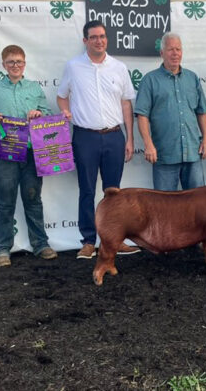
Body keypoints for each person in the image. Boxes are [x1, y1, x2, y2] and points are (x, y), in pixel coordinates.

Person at [57, 20, 141, 260]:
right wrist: (65, 112)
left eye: (102, 36)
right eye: (93, 37)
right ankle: (87, 241)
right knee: (86, 190)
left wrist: (129, 138)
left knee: (113, 193)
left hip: (114, 136)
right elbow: (62, 96)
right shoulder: (73, 67)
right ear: (85, 41)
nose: (99, 40)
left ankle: (114, 240)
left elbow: (126, 103)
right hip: (85, 137)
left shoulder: (119, 67)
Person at [0, 44, 56, 267]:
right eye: (11, 62)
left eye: (19, 61)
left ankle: (40, 244)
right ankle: (2, 248)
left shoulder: (33, 88)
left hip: (31, 152)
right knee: (5, 201)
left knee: (33, 198)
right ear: (3, 64)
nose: (15, 66)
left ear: (24, 63)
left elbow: (48, 114)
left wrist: (39, 113)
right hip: (5, 153)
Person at [135, 32, 206, 190]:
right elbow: (142, 116)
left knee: (197, 205)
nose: (175, 53)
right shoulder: (150, 80)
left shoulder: (192, 78)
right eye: (170, 49)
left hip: (193, 153)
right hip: (164, 155)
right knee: (165, 208)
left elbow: (201, 112)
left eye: (178, 49)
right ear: (162, 53)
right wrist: (148, 145)